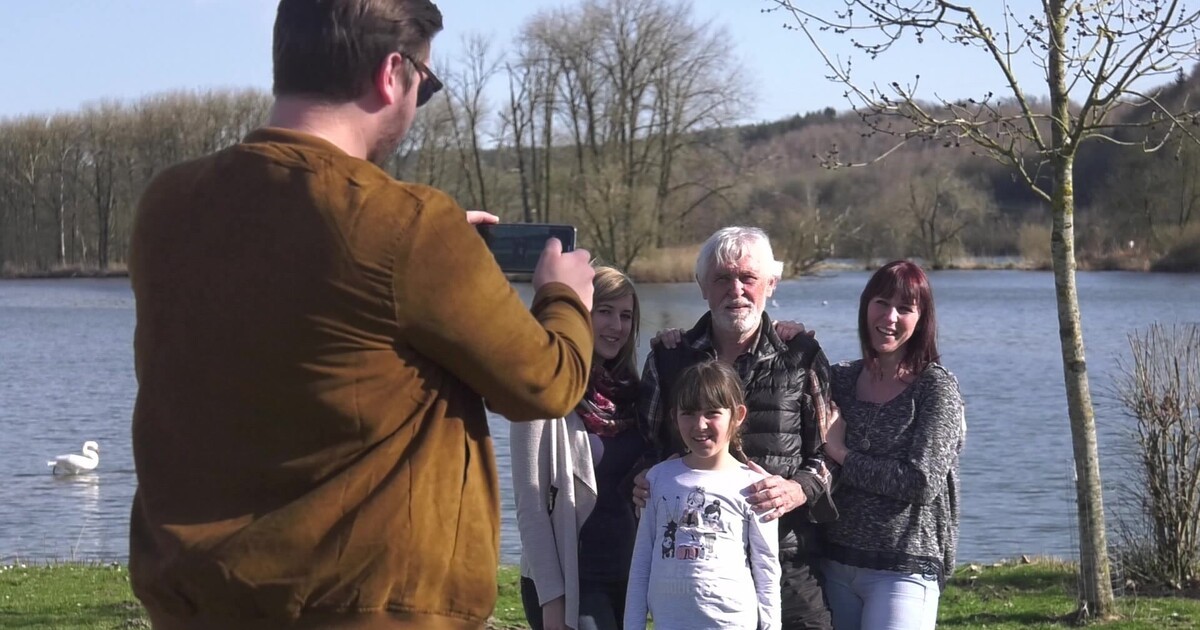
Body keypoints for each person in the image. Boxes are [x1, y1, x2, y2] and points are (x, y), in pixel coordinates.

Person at [127, 1, 595, 628]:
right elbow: (548, 381)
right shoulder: (407, 225)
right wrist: (563, 295)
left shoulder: (167, 207)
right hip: (364, 606)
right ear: (391, 72)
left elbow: (292, 299)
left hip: (197, 602)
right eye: (424, 86)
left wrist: (425, 256)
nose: (415, 103)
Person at [634, 226, 837, 630]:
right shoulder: (669, 360)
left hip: (786, 560)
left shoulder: (802, 357)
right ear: (702, 287)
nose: (736, 290)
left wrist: (800, 488)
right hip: (697, 574)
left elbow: (830, 454)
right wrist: (644, 478)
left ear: (771, 284)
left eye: (748, 278)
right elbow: (644, 446)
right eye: (722, 279)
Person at [820, 260, 966, 630]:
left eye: (905, 308)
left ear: (922, 319)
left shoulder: (936, 389)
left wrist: (841, 453)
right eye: (881, 303)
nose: (890, 316)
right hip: (833, 563)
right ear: (865, 306)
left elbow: (920, 483)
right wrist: (789, 336)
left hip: (904, 569)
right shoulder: (838, 378)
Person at [511, 266, 648, 630]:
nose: (616, 326)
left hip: (626, 576)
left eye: (625, 315)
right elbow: (530, 506)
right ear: (579, 313)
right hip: (572, 579)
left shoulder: (634, 395)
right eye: (603, 311)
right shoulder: (543, 388)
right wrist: (553, 602)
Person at [624, 360, 780, 630]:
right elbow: (641, 562)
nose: (700, 425)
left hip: (732, 622)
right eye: (688, 413)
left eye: (712, 413)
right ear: (674, 416)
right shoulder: (658, 479)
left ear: (738, 415)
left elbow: (767, 569)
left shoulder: (755, 486)